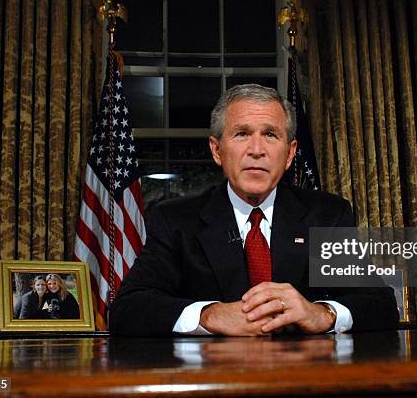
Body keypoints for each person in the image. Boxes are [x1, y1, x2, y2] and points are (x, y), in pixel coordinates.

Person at [109, 84, 399, 336]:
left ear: (290, 153)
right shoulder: (175, 220)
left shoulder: (327, 215)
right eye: (242, 134)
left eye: (270, 135)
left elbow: (380, 305)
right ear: (216, 150)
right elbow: (128, 309)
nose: (256, 149)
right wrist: (209, 315)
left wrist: (322, 313)